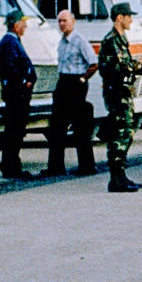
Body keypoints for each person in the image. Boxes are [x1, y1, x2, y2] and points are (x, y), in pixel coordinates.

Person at [99, 2, 142, 193]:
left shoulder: (121, 39)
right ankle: (116, 178)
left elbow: (125, 64)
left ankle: (121, 175)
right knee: (119, 134)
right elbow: (117, 67)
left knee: (126, 133)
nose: (131, 20)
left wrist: (140, 66)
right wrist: (137, 65)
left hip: (124, 92)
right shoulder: (111, 40)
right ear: (120, 17)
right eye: (129, 16)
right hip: (117, 94)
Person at [45, 10, 98, 177]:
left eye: (65, 21)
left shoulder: (80, 41)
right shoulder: (61, 42)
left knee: (81, 128)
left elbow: (94, 63)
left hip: (76, 84)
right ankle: (55, 167)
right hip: (63, 83)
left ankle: (87, 166)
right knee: (57, 128)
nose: (62, 24)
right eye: (59, 21)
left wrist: (82, 80)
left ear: (73, 22)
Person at [0, 8, 36, 179]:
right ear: (15, 24)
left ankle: (12, 165)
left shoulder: (13, 41)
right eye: (23, 22)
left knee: (16, 131)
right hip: (16, 94)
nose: (26, 25)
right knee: (14, 130)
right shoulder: (10, 42)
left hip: (18, 93)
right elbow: (10, 67)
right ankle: (11, 167)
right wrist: (23, 82)